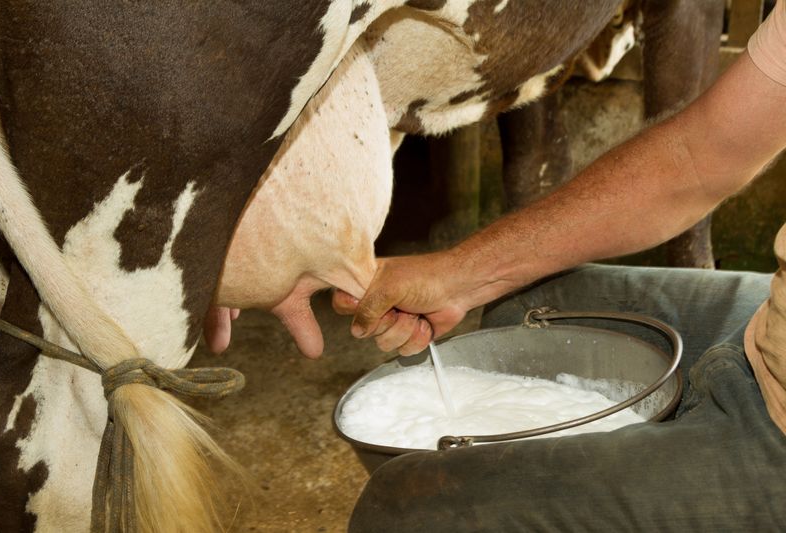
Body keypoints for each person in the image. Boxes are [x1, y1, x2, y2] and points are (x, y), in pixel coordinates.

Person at [334, 2, 786, 530]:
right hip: (768, 319)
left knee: (405, 507)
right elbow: (696, 155)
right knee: (524, 310)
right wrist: (458, 275)